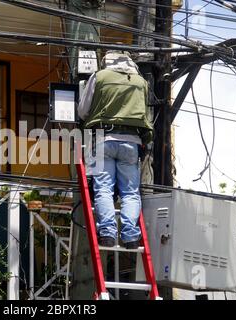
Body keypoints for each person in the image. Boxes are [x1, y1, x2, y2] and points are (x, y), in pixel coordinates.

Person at [78, 50, 153, 249]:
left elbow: (83, 110)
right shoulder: (140, 82)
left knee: (103, 189)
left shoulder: (99, 77)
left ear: (106, 62)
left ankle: (108, 234)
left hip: (103, 139)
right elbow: (145, 113)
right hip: (132, 142)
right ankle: (130, 236)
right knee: (130, 193)